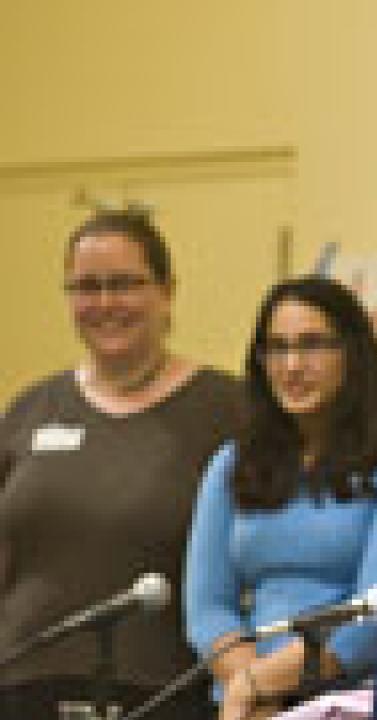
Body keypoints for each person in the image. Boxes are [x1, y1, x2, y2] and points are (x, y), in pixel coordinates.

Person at [0, 209, 241, 719]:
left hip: (160, 695)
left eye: (125, 283)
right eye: (87, 287)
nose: (105, 303)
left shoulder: (226, 410)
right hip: (21, 689)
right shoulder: (30, 409)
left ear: (167, 291)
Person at [184, 276, 377, 720]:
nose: (292, 365)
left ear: (353, 355)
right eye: (276, 348)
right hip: (245, 703)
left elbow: (375, 615)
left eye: (312, 345)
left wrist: (262, 684)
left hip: (355, 698)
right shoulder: (232, 462)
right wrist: (250, 689)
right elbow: (207, 608)